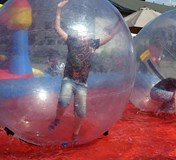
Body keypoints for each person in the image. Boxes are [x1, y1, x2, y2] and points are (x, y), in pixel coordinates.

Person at [48, 0, 121, 144]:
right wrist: (58, 9)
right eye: (82, 34)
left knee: (80, 112)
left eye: (86, 34)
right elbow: (57, 28)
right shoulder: (72, 40)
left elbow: (111, 36)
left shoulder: (93, 43)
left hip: (82, 83)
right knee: (63, 101)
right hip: (69, 79)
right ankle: (57, 118)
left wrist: (119, 21)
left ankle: (75, 133)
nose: (84, 36)